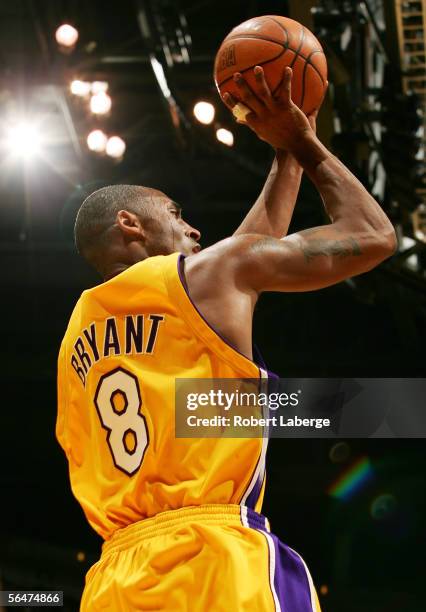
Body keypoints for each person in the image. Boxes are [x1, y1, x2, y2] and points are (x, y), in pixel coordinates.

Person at [56, 67, 396, 611]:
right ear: (130, 223)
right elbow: (374, 235)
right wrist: (305, 143)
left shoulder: (76, 335)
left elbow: (244, 251)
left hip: (114, 582)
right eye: (175, 213)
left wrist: (282, 155)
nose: (193, 230)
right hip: (213, 558)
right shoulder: (207, 277)